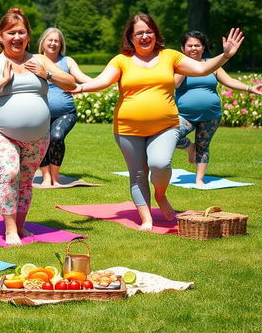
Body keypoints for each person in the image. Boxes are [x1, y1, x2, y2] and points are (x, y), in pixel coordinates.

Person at [74, 14, 244, 231]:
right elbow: (102, 81)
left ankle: (160, 195)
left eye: (149, 32)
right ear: (131, 37)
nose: (145, 36)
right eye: (139, 33)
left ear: (155, 33)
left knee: (160, 164)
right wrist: (80, 88)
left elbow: (202, 69)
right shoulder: (121, 60)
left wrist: (226, 55)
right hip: (128, 128)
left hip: (165, 126)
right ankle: (146, 219)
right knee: (137, 174)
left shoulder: (170, 56)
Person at [0, 8, 77, 245]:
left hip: (38, 136)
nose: (16, 38)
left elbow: (70, 83)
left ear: (29, 36)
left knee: (26, 181)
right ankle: (10, 230)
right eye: (11, 33)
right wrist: (2, 81)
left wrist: (46, 73)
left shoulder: (39, 60)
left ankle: (20, 226)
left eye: (21, 32)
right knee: (10, 173)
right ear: (1, 36)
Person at [174, 30, 262, 186]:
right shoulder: (177, 66)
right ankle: (189, 149)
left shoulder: (212, 65)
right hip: (185, 115)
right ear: (183, 48)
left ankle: (199, 179)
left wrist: (249, 88)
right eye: (190, 45)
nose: (194, 48)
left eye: (198, 45)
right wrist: (185, 64)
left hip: (211, 115)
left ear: (203, 47)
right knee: (171, 135)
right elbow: (174, 84)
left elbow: (229, 81)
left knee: (203, 146)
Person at [36, 27, 92, 187]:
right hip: (40, 114)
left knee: (56, 137)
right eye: (50, 40)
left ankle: (55, 177)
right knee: (42, 141)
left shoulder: (67, 61)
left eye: (57, 41)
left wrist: (104, 82)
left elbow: (81, 77)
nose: (53, 43)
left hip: (65, 112)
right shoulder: (34, 60)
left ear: (61, 44)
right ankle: (46, 177)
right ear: (43, 42)